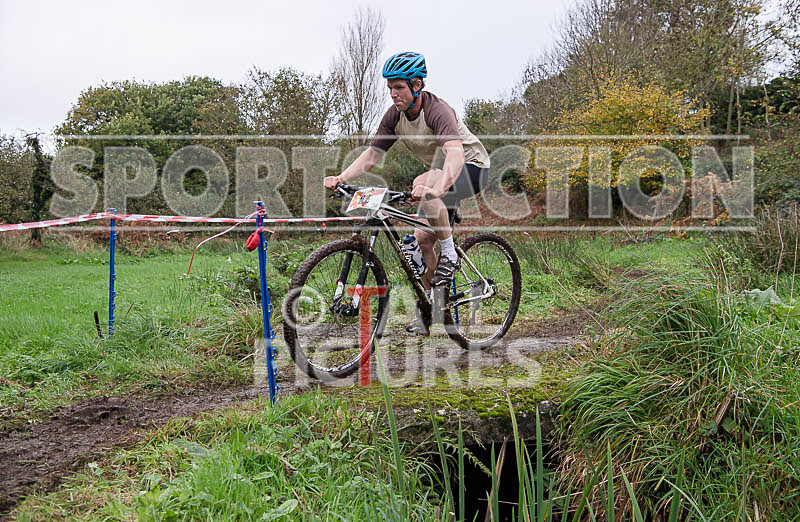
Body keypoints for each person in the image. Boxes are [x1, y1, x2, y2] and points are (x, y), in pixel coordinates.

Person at [324, 51, 490, 334]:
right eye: (389, 87)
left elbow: (454, 155)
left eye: (399, 87)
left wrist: (439, 186)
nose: (393, 93)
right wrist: (342, 176)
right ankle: (436, 313)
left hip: (472, 167)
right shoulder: (394, 116)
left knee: (426, 180)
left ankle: (449, 253)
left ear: (417, 86)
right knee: (421, 242)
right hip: (440, 173)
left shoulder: (438, 111)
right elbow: (372, 156)